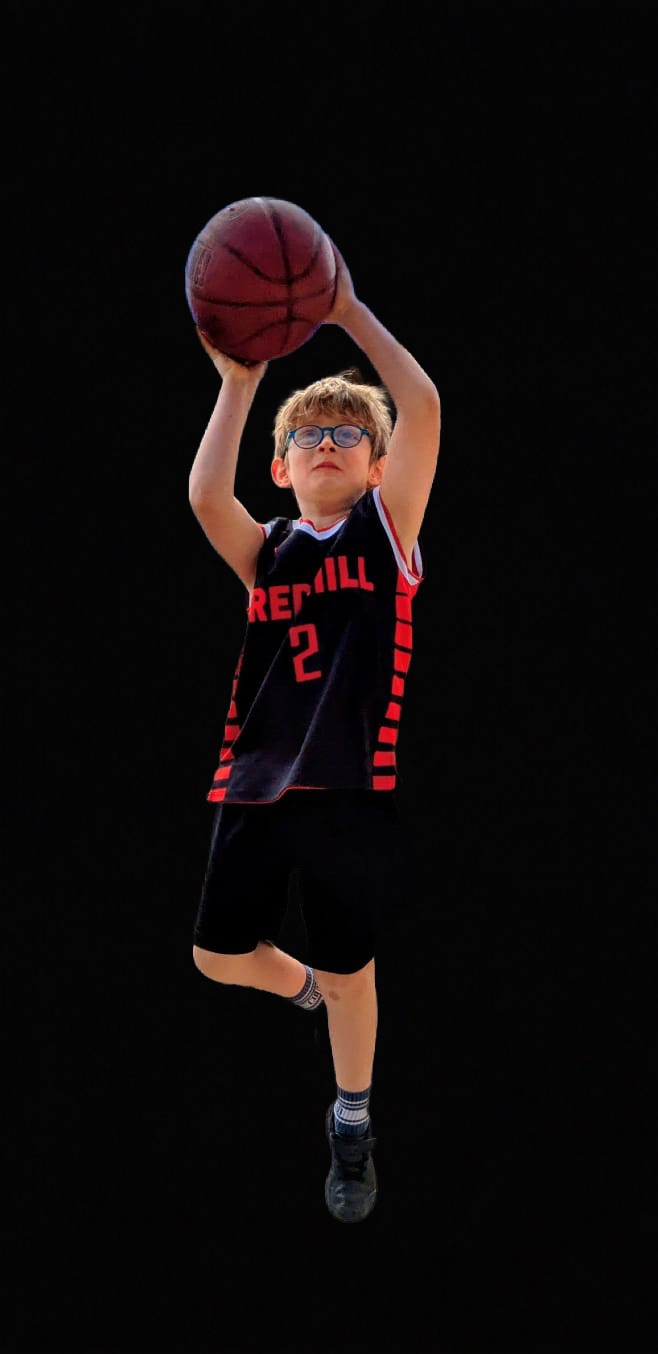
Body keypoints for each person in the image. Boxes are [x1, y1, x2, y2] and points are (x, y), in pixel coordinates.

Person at [189, 243, 441, 1223]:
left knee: (351, 973)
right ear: (281, 465)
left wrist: (347, 311)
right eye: (307, 435)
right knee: (216, 956)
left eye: (347, 432)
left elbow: (421, 404)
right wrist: (240, 381)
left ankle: (351, 1119)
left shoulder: (387, 530)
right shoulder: (269, 551)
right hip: (254, 779)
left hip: (348, 788)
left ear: (377, 465)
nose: (326, 441)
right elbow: (206, 498)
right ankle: (305, 996)